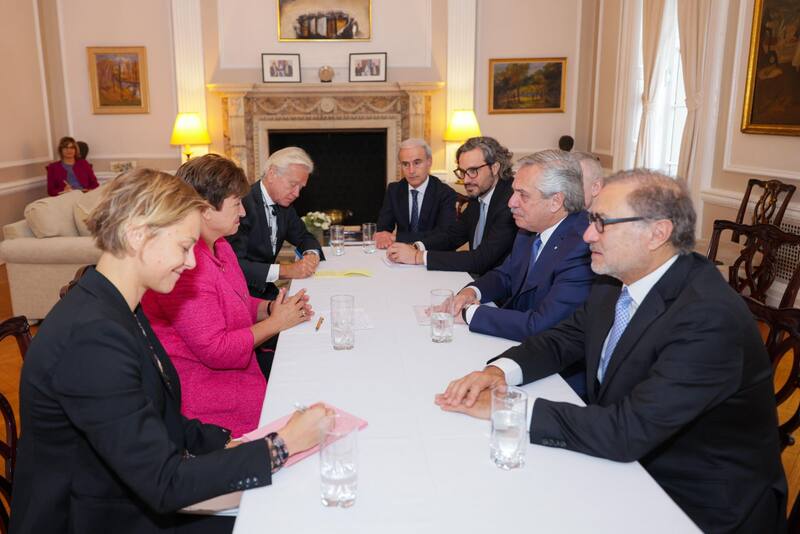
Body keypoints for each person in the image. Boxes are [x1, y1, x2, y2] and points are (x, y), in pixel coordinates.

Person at [435, 170, 787, 533]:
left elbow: (627, 431)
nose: (587, 235)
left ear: (658, 233)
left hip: (696, 499)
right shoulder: (613, 280)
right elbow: (562, 339)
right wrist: (498, 373)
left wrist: (509, 408)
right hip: (629, 463)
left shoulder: (709, 318)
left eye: (601, 223)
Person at [10, 168, 333, 534]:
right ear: (137, 236)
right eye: (183, 247)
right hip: (98, 516)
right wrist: (279, 446)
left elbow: (162, 416)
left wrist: (231, 441)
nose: (192, 262)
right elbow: (164, 484)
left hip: (127, 493)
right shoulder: (91, 337)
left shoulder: (118, 305)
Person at [141, 155, 312, 438]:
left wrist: (272, 308)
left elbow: (238, 302)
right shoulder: (184, 265)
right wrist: (276, 323)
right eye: (236, 203)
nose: (244, 213)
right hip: (210, 401)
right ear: (206, 210)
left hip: (240, 376)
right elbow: (217, 352)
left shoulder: (220, 246)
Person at [385, 136, 517, 276]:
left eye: (473, 171)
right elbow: (453, 236)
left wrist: (418, 257)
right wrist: (416, 246)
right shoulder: (479, 194)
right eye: (463, 172)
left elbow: (480, 259)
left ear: (495, 168)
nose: (466, 180)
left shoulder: (511, 202)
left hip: (502, 289)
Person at [228, 147, 324, 300]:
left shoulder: (284, 204)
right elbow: (233, 265)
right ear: (272, 174)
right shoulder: (242, 205)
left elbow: (304, 237)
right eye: (293, 184)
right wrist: (285, 270)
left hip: (267, 290)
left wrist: (310, 254)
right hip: (241, 294)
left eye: (301, 188)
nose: (297, 193)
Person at [374, 138, 457, 249]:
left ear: (429, 162)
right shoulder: (394, 190)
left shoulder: (445, 193)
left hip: (433, 255)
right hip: (400, 254)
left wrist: (397, 238)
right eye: (405, 164)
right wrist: (383, 236)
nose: (411, 170)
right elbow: (383, 228)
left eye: (417, 163)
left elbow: (443, 235)